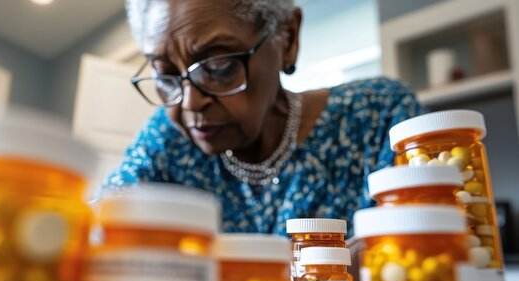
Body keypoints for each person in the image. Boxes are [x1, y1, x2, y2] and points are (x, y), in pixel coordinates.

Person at [104, 0, 423, 236]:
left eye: (217, 66)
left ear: (287, 38)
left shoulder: (376, 115)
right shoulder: (167, 139)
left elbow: (424, 253)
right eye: (165, 76)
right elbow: (99, 225)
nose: (190, 103)